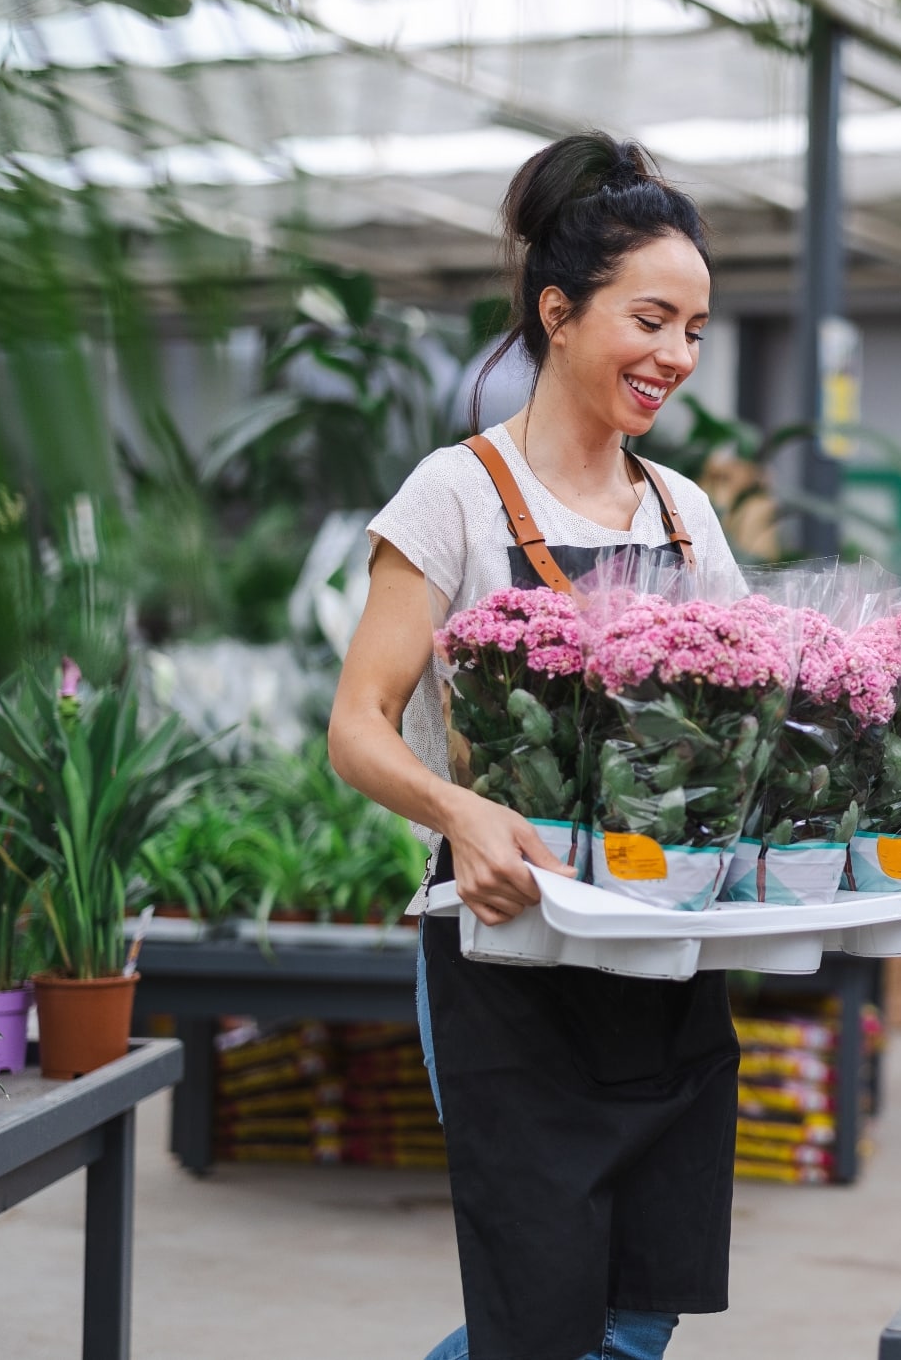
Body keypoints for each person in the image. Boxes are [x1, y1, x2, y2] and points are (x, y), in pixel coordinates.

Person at [329, 132, 744, 1360]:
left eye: (694, 330)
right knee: (540, 1320)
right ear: (557, 314)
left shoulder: (684, 515)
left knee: (639, 1307)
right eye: (650, 321)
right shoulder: (453, 496)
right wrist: (461, 814)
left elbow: (749, 724)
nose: (676, 356)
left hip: (662, 962)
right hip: (509, 960)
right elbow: (355, 727)